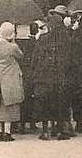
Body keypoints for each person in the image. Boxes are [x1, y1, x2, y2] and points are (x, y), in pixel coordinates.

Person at [30, 8, 75, 140]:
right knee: (60, 103)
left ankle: (45, 131)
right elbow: (70, 59)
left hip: (44, 77)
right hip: (61, 76)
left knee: (44, 103)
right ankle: (60, 130)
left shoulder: (43, 39)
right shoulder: (66, 39)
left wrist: (34, 73)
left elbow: (35, 58)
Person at [0, 22, 24, 142]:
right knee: (9, 105)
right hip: (10, 77)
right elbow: (21, 57)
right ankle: (7, 132)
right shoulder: (13, 47)